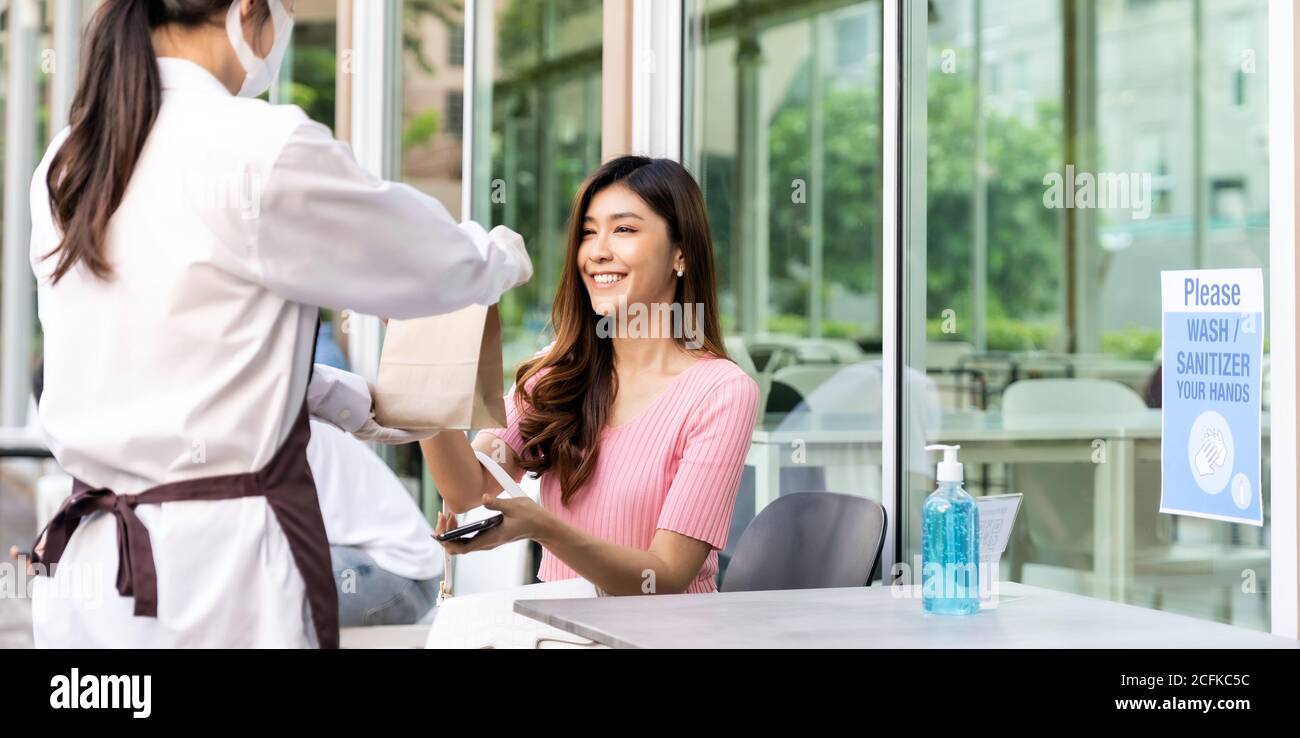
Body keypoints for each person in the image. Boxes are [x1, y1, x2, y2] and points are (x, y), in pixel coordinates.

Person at [27, 0, 530, 648]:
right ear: (246, 11)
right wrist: (500, 258)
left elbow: (156, 353)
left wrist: (331, 396)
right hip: (218, 576)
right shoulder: (254, 145)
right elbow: (425, 262)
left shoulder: (67, 159)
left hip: (89, 578)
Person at [420, 156, 759, 596]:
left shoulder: (722, 393)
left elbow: (667, 575)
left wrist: (546, 529)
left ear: (681, 253)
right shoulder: (556, 374)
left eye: (624, 229)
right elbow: (467, 488)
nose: (597, 251)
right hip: (557, 632)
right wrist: (421, 364)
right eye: (587, 232)